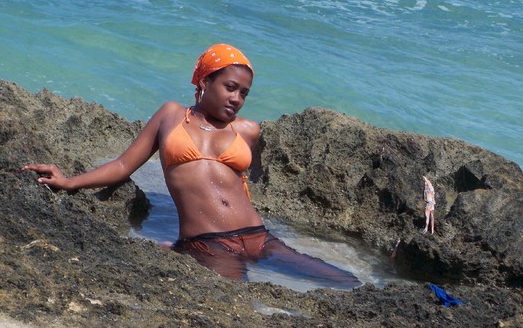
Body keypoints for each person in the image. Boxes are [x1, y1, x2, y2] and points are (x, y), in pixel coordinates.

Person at [23, 43, 361, 289]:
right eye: (230, 87)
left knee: (346, 283)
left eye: (244, 93)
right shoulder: (171, 116)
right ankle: (181, 252)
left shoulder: (247, 130)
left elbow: (238, 184)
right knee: (235, 304)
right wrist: (69, 182)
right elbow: (124, 164)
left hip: (258, 237)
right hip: (207, 242)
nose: (237, 99)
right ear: (205, 83)